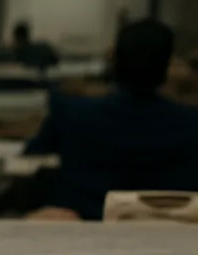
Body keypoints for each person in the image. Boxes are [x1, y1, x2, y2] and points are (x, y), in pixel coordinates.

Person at [25, 19, 198, 221]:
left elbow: (31, 154)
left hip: (81, 233)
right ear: (167, 67)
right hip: (172, 238)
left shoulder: (71, 113)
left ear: (114, 61)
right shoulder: (191, 124)